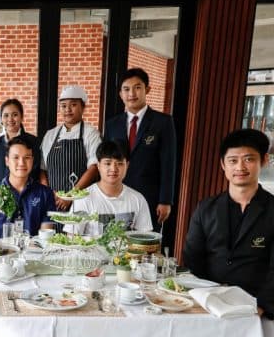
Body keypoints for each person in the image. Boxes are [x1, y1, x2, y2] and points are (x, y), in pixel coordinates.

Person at [184, 128, 274, 337]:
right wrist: (206, 298)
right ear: (223, 165)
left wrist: (260, 308)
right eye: (233, 160)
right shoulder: (207, 208)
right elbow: (193, 257)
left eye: (249, 159)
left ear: (264, 162)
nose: (240, 167)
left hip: (254, 306)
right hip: (211, 302)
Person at [104, 68, 176, 230]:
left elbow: (168, 162)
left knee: (145, 244)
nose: (131, 94)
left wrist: (165, 200)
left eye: (137, 87)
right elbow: (106, 161)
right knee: (114, 242)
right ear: (120, 94)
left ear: (147, 89)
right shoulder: (112, 124)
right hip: (117, 195)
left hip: (149, 196)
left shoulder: (163, 122)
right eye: (126, 89)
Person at [40, 85, 101, 211]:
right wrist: (49, 193)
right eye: (63, 106)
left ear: (83, 107)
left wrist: (71, 196)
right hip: (54, 201)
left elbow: (94, 168)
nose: (67, 109)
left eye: (73, 105)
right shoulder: (50, 135)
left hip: (82, 202)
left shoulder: (91, 133)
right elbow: (42, 169)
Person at [71, 140, 153, 232]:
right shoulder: (83, 198)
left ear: (127, 165)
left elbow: (145, 238)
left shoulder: (138, 199)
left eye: (120, 163)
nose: (113, 169)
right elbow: (72, 239)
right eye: (107, 163)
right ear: (98, 165)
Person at [0, 136, 55, 237]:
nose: (21, 163)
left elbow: (46, 234)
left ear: (32, 160)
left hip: (34, 251)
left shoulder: (45, 194)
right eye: (16, 157)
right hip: (1, 251)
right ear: (7, 161)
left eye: (27, 158)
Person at [0, 98, 43, 187]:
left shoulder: (34, 142)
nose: (10, 119)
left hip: (28, 194)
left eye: (15, 115)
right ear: (1, 119)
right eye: (6, 115)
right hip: (1, 196)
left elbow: (36, 171)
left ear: (22, 117)